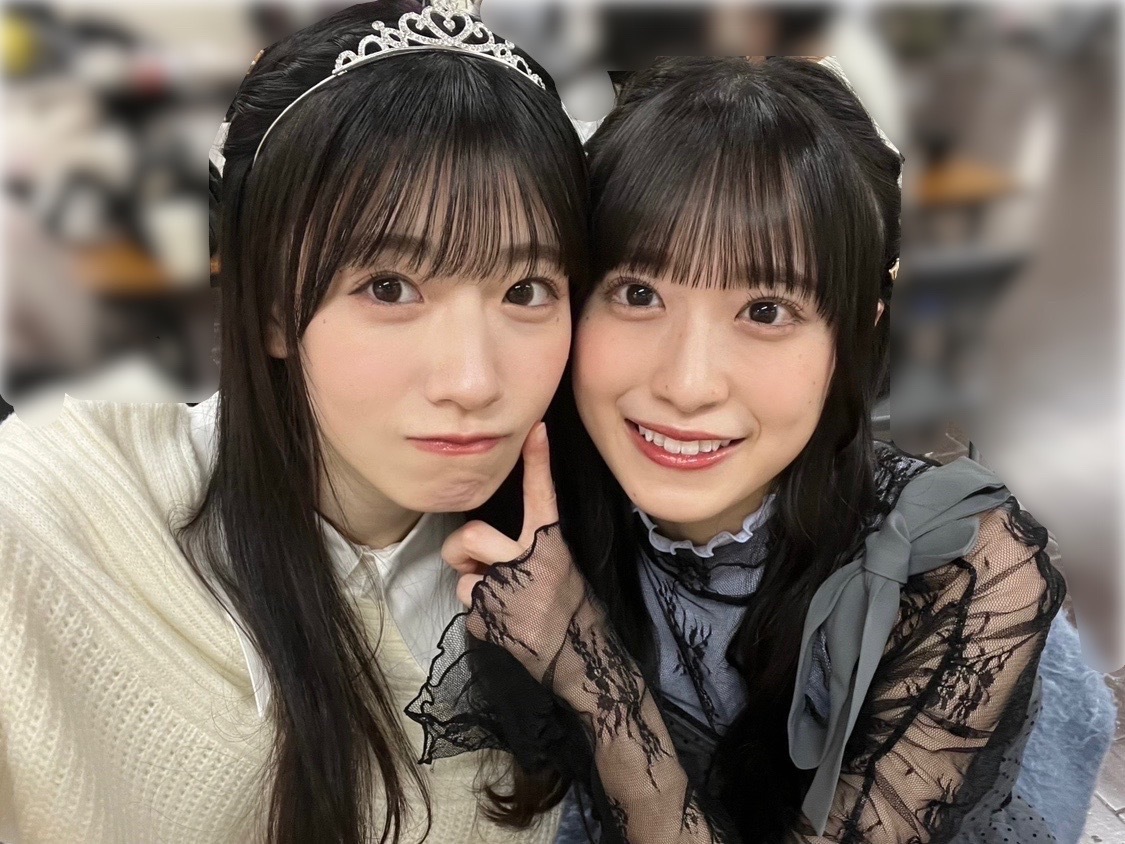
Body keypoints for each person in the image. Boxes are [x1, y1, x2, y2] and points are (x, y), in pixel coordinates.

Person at [407, 57, 1066, 843]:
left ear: (855, 335)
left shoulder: (961, 571)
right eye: (638, 293)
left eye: (765, 310)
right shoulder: (525, 493)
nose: (687, 385)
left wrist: (583, 660)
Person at [0, 2, 589, 842]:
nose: (472, 380)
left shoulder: (582, 563)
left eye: (526, 291)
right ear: (273, 305)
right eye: (389, 288)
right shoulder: (51, 524)